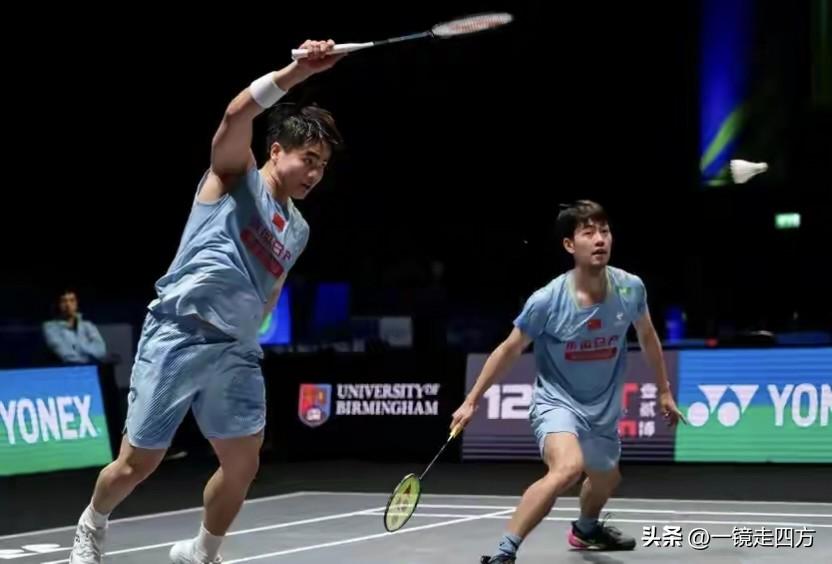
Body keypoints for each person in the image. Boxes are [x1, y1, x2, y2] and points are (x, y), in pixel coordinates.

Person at [68, 40, 345, 564]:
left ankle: (201, 551)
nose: (314, 173)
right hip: (180, 332)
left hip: (236, 350)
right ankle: (91, 524)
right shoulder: (234, 176)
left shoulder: (299, 229)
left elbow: (274, 285)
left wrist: (252, 328)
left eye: (323, 166)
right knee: (137, 464)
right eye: (308, 159)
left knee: (243, 465)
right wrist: (297, 71)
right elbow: (236, 114)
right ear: (276, 151)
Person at [450, 200, 687, 563]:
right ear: (569, 245)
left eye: (604, 231)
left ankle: (586, 529)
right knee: (567, 468)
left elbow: (648, 336)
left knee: (607, 480)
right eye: (588, 233)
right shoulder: (547, 300)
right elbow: (509, 349)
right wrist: (471, 401)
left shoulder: (630, 288)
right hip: (557, 402)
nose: (600, 239)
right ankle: (503, 553)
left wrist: (664, 392)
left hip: (603, 410)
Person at [42, 289, 108, 364]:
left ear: (76, 303)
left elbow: (101, 350)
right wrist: (88, 352)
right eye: (64, 301)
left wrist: (76, 349)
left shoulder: (88, 325)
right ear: (57, 304)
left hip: (91, 368)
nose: (68, 305)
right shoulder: (49, 327)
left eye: (72, 300)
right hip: (67, 370)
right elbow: (67, 356)